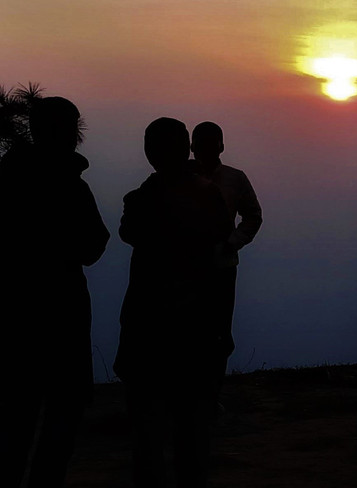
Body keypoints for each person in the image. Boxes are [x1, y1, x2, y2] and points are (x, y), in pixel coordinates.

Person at [0, 97, 109, 488]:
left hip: (14, 307)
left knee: (17, 420)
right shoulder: (69, 184)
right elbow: (94, 245)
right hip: (59, 310)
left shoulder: (10, 179)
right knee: (57, 420)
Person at [115, 118, 231, 488]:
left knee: (149, 432)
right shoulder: (208, 196)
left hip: (150, 326)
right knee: (190, 430)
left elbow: (129, 233)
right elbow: (219, 249)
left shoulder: (140, 200)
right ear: (187, 150)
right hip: (194, 325)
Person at [190, 121, 262, 401]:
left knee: (219, 335)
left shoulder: (235, 178)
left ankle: (211, 395)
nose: (206, 149)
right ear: (192, 147)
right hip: (186, 270)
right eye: (201, 144)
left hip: (221, 269)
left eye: (211, 143)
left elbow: (253, 216)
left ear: (221, 146)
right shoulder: (179, 177)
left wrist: (232, 243)